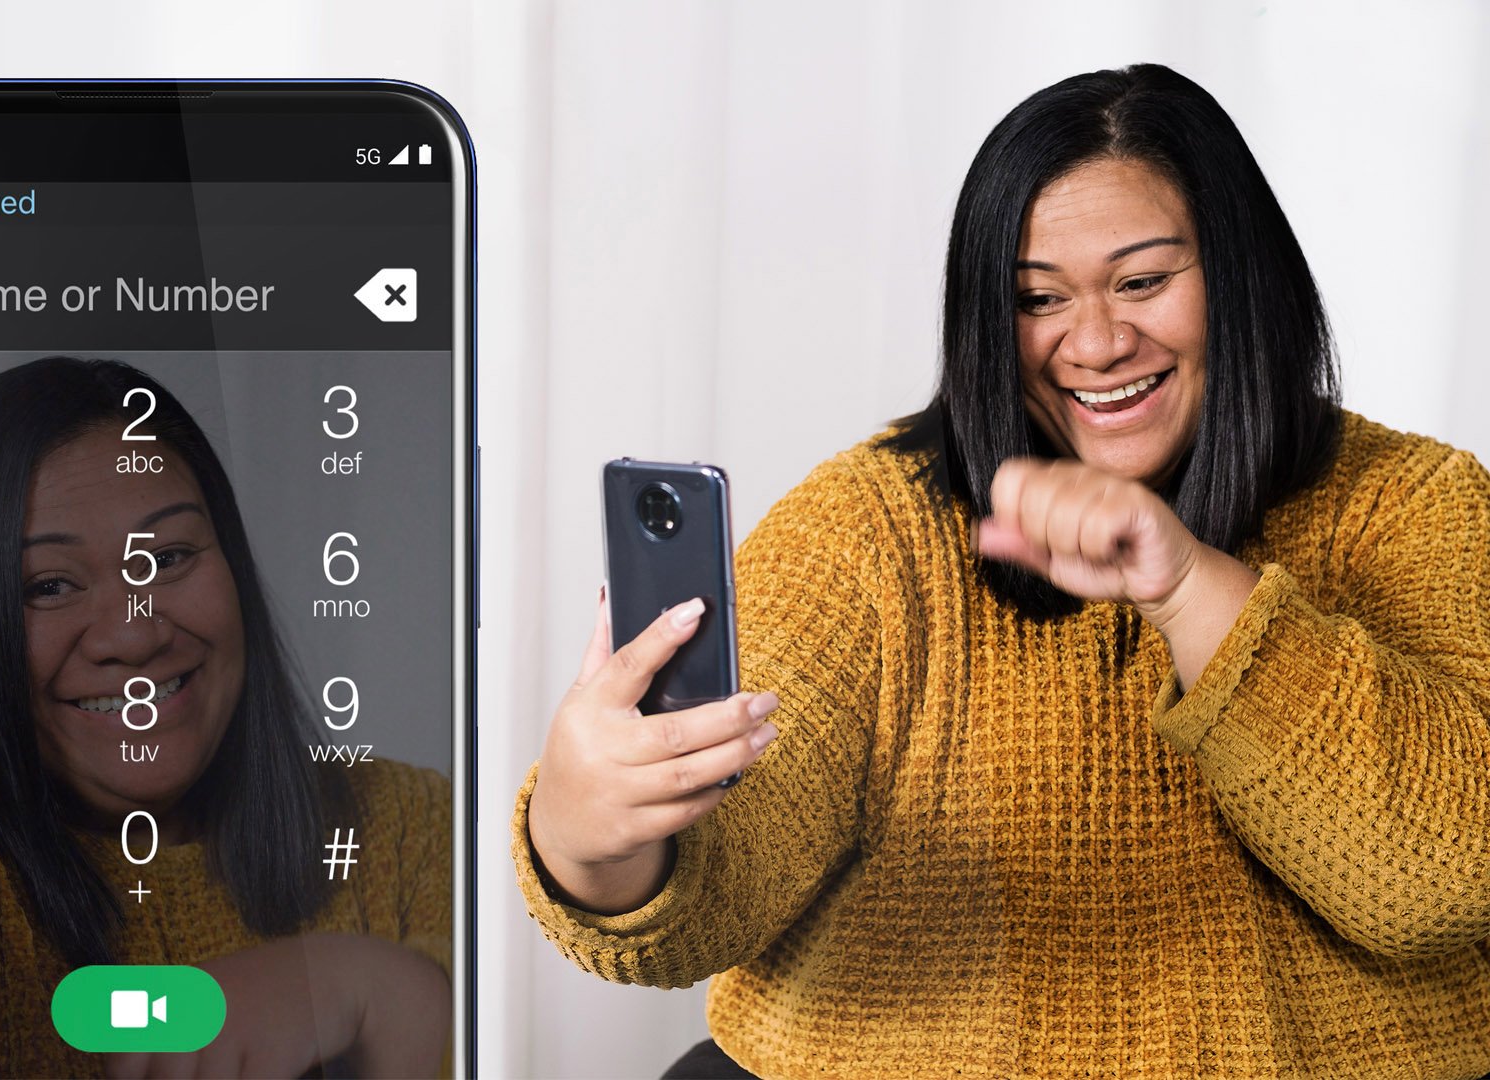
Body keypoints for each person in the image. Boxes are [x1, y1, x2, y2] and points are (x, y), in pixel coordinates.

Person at [516, 64, 1490, 1078]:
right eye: (1037, 298)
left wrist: (1190, 588)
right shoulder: (869, 527)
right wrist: (597, 837)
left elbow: (1447, 879)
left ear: (1240, 274)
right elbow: (736, 857)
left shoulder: (1417, 504)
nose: (1100, 343)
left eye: (1145, 281)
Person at [0, 357, 451, 1078]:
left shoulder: (403, 827)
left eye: (170, 556)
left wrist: (385, 988)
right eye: (49, 585)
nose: (136, 633)